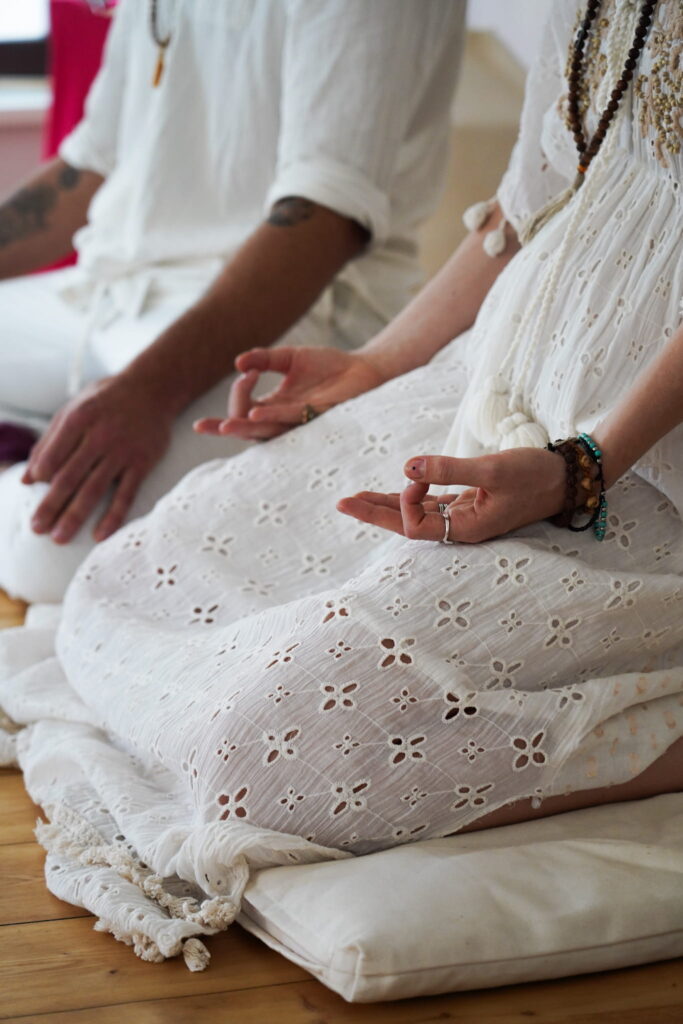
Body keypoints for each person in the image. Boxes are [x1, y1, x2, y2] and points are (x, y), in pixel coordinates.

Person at [0, 0, 681, 970]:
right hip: (488, 384)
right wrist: (378, 365)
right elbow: (525, 204)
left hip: (639, 466)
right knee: (125, 578)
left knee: (260, 757)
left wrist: (580, 467)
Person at [0, 0, 465, 603]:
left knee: (51, 556)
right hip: (105, 295)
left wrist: (147, 391)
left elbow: (324, 218)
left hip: (275, 329)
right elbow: (90, 166)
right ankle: (37, 448)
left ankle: (35, 456)